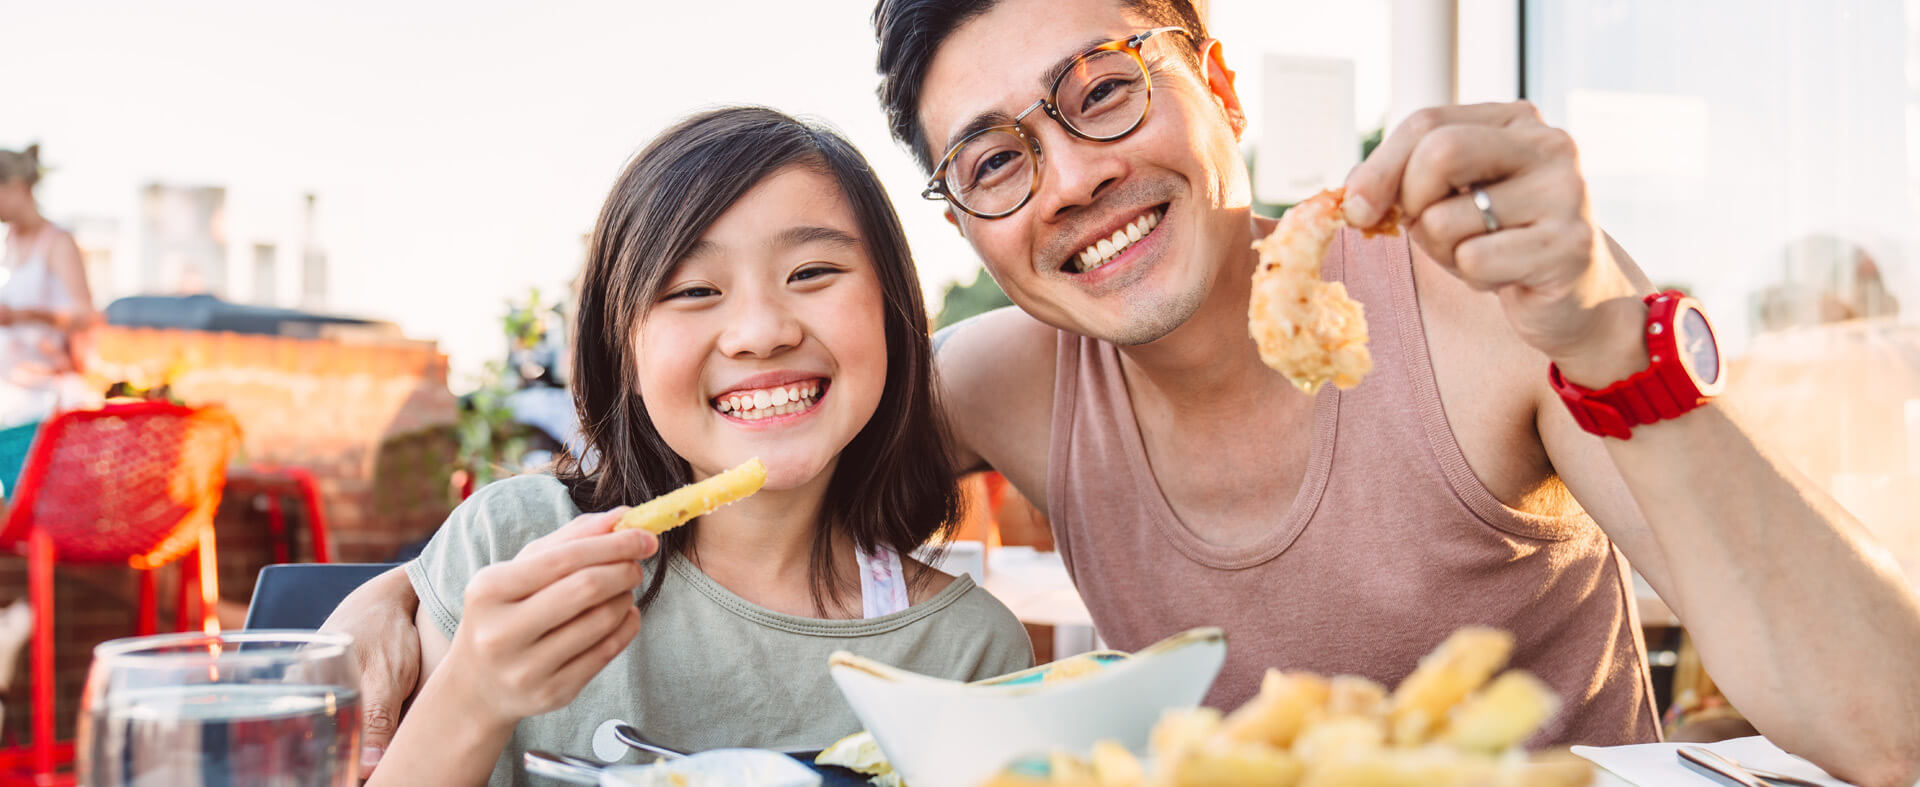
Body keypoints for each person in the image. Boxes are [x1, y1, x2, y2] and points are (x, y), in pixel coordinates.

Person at [329, 3, 1920, 784]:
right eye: (1000, 158)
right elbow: (740, 445)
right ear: (957, 223)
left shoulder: (1476, 305)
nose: (1079, 177)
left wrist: (1602, 333)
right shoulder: (1000, 373)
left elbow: (1890, 726)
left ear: (1214, 83)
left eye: (1104, 89)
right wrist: (376, 603)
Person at [363, 107, 1032, 786]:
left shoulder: (967, 653)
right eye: (693, 290)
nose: (760, 332)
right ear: (623, 349)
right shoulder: (511, 546)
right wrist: (475, 694)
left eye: (811, 273)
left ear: (893, 310)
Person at [0, 145, 99, 431]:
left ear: (17, 187)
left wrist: (22, 316)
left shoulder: (58, 242)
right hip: (13, 392)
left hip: (47, 398)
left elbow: (85, 316)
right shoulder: (9, 242)